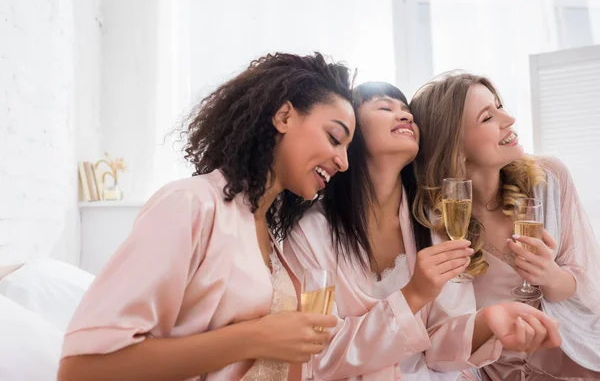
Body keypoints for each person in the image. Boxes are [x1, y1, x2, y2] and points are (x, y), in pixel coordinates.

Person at [57, 52, 356, 381]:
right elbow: (81, 369)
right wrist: (255, 338)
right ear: (284, 117)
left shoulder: (266, 230)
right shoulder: (191, 204)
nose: (342, 161)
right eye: (334, 138)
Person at [281, 81, 561, 380]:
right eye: (386, 108)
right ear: (350, 132)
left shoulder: (434, 222)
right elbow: (320, 356)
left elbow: (439, 351)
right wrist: (414, 295)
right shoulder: (308, 233)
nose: (405, 116)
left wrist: (488, 321)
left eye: (406, 111)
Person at [410, 71, 600, 380]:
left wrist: (550, 275)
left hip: (572, 353)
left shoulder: (548, 179)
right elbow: (445, 331)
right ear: (453, 145)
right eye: (488, 117)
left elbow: (587, 285)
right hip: (498, 371)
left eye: (500, 106)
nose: (509, 119)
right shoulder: (437, 221)